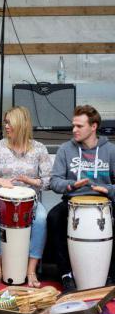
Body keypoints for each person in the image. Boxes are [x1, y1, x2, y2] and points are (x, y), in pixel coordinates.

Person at [0, 106, 51, 288]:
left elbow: (49, 181)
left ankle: (31, 271)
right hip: (0, 201)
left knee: (42, 218)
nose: (6, 126)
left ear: (20, 124)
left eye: (9, 122)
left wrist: (32, 181)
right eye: (5, 122)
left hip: (30, 202)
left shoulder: (39, 149)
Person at [48, 105, 115, 292]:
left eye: (79, 126)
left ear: (93, 127)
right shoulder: (65, 149)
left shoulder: (110, 150)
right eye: (73, 125)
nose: (74, 130)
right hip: (73, 201)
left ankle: (110, 274)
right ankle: (66, 274)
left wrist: (108, 189)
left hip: (104, 202)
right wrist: (71, 185)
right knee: (53, 218)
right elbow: (54, 181)